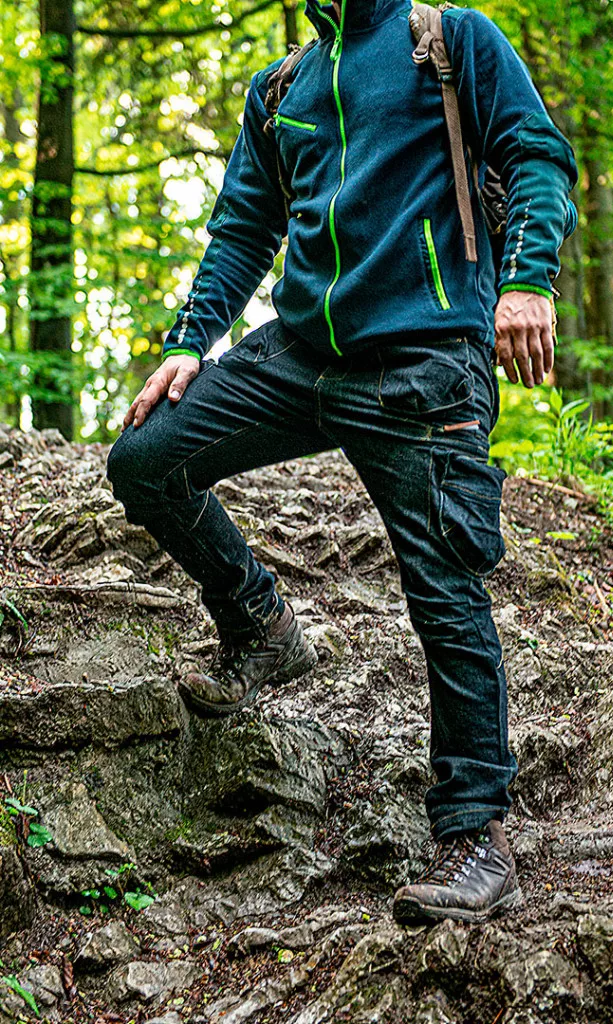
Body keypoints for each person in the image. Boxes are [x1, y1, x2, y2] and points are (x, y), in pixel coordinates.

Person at [107, 0, 578, 925]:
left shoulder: (450, 41)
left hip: (424, 360)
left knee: (444, 589)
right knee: (145, 458)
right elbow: (244, 227)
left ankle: (477, 837)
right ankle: (261, 626)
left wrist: (526, 281)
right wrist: (191, 339)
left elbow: (537, 155)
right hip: (299, 354)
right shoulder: (281, 86)